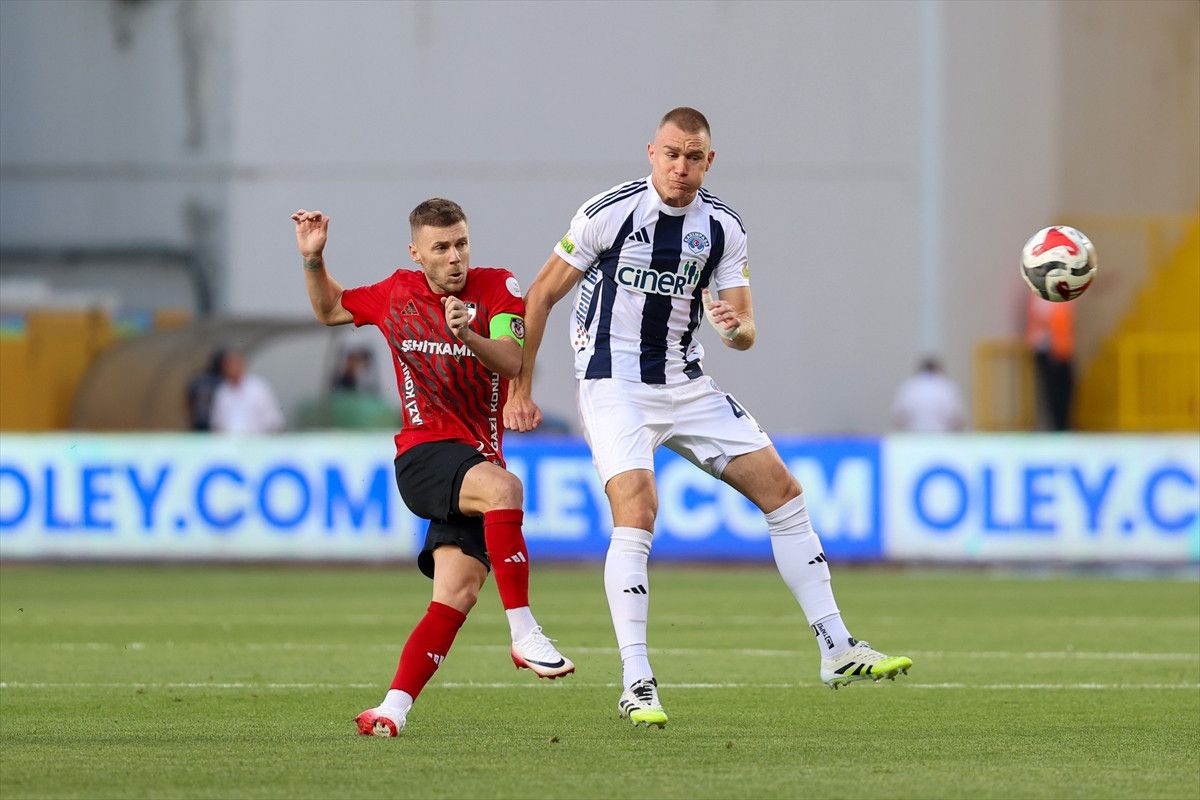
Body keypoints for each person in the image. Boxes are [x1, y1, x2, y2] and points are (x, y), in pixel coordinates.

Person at [504, 107, 911, 728]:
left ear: (709, 161)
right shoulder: (608, 213)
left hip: (687, 383)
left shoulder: (722, 228)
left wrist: (734, 328)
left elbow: (746, 329)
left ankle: (836, 646)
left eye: (694, 157)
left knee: (784, 491)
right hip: (614, 384)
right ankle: (636, 680)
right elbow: (539, 294)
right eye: (671, 154)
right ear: (650, 153)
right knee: (637, 509)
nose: (681, 167)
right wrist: (520, 389)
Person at [291, 198, 574, 738]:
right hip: (422, 454)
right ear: (416, 253)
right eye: (441, 248)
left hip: (473, 459)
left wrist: (468, 333)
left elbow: (514, 361)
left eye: (461, 244)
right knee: (506, 489)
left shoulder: (498, 289)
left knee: (457, 594)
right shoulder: (397, 292)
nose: (455, 258)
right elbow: (329, 310)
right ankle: (524, 631)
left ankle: (391, 709)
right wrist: (313, 259)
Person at [1025, 292, 1075, 431]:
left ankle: (1062, 425)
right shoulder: (1043, 292)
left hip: (1061, 349)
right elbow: (1045, 319)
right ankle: (1057, 427)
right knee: (1054, 392)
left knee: (1064, 390)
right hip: (1049, 349)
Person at [209, 348, 285, 434]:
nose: (232, 368)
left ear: (242, 364)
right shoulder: (222, 392)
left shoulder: (259, 388)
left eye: (235, 363)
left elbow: (274, 421)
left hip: (258, 443)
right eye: (228, 365)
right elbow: (217, 424)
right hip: (229, 444)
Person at [891, 356, 966, 432]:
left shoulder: (909, 386)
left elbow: (899, 416)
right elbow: (957, 418)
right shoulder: (947, 386)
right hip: (941, 436)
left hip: (914, 436)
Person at [185, 348, 226, 431]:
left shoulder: (197, 379)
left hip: (198, 423)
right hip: (211, 425)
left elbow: (188, 403)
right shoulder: (223, 382)